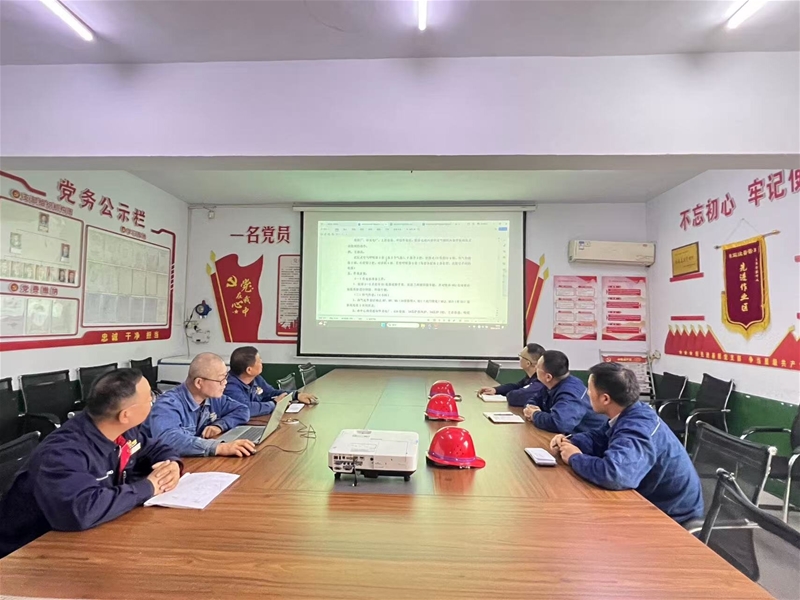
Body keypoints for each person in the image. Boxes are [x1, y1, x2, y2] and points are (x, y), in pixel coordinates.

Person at [0, 369, 182, 558]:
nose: (153, 403)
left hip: (89, 535)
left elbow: (155, 448)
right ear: (125, 415)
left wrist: (171, 465)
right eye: (150, 399)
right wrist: (149, 487)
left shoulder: (123, 430)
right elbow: (82, 510)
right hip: (27, 553)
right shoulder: (62, 452)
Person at [551, 362, 704, 525]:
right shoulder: (629, 413)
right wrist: (570, 441)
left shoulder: (637, 427)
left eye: (590, 389)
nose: (587, 393)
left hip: (672, 517)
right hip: (649, 501)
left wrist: (575, 457)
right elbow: (599, 438)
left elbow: (616, 475)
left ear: (605, 399)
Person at [143, 353, 254, 457]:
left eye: (226, 377)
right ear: (199, 383)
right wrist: (219, 447)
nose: (225, 383)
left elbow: (242, 410)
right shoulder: (168, 404)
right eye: (221, 379)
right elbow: (168, 439)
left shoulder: (213, 398)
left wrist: (220, 425)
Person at [523, 350, 607, 433]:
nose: (535, 369)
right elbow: (534, 399)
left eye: (538, 367)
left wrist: (535, 415)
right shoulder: (551, 385)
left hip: (591, 437)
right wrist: (530, 408)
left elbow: (560, 424)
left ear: (548, 377)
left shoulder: (570, 392)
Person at [224, 346, 317, 417]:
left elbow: (271, 393)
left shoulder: (256, 378)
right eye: (259, 361)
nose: (262, 362)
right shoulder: (229, 386)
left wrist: (295, 395)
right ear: (249, 370)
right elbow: (246, 408)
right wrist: (274, 404)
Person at [478, 343, 546, 407]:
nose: (519, 359)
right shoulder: (530, 377)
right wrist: (496, 390)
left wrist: (509, 394)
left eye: (521, 357)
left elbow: (515, 397)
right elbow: (516, 386)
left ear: (528, 363)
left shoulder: (540, 381)